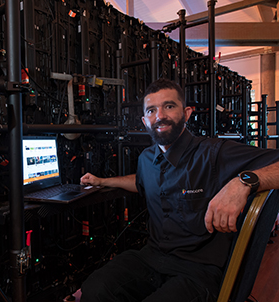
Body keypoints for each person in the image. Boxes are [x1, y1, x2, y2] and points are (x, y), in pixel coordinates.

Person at [79, 78, 279, 302]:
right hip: (153, 257)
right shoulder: (147, 158)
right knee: (95, 288)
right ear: (145, 121)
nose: (160, 116)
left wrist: (243, 182)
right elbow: (141, 181)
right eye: (152, 110)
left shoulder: (213, 153)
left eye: (169, 106)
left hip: (198, 269)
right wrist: (104, 181)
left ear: (187, 113)